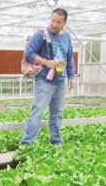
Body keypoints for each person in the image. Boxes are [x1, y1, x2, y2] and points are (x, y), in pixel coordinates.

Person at [20, 8, 74, 146]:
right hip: (45, 80)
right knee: (38, 110)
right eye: (53, 20)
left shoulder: (66, 37)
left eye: (58, 22)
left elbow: (69, 57)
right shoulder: (41, 34)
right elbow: (29, 53)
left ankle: (56, 141)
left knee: (57, 113)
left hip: (60, 80)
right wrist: (46, 62)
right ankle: (27, 143)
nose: (54, 24)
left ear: (64, 23)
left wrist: (71, 77)